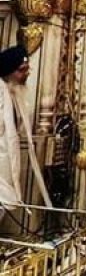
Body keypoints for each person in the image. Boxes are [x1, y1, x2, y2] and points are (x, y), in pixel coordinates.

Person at [0, 45, 51, 223]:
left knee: (6, 203)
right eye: (22, 70)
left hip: (6, 162)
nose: (27, 73)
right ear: (9, 71)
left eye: (28, 69)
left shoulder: (14, 92)